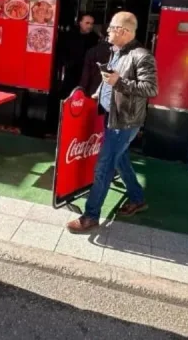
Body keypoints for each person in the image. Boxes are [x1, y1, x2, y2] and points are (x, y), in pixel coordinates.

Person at [66, 12, 158, 233]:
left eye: (111, 28)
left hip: (125, 121)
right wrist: (99, 92)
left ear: (123, 31)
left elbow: (151, 88)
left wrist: (120, 82)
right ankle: (137, 198)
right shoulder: (116, 52)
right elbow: (109, 79)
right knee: (120, 160)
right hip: (112, 116)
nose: (107, 31)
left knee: (104, 166)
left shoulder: (142, 56)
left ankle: (91, 216)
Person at [60, 14, 100, 97]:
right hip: (71, 71)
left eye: (92, 24)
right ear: (80, 23)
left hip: (87, 72)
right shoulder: (70, 35)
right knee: (67, 94)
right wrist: (67, 63)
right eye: (87, 23)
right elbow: (62, 51)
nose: (90, 26)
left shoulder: (95, 38)